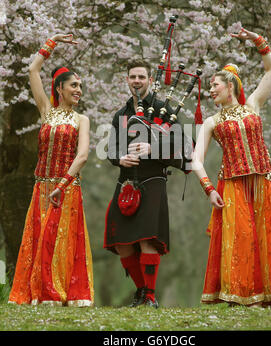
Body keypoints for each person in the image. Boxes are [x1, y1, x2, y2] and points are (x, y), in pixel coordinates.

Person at [192, 27, 271, 306]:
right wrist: (209, 189)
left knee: (265, 234)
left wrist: (258, 42)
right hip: (233, 184)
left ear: (231, 86)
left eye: (215, 85)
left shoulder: (253, 105)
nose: (211, 90)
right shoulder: (212, 122)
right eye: (210, 86)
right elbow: (196, 160)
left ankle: (265, 296)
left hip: (263, 180)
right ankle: (238, 295)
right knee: (241, 236)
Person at [8, 34, 94, 307]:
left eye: (81, 86)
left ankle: (56, 294)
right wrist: (51, 42)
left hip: (66, 188)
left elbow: (82, 155)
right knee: (39, 239)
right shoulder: (46, 112)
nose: (79, 90)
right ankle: (38, 294)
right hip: (41, 187)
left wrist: (62, 184)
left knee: (59, 241)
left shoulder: (82, 119)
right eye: (74, 85)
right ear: (59, 88)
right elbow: (33, 70)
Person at [104, 60, 192, 308]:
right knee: (121, 242)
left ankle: (151, 297)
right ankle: (142, 291)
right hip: (126, 182)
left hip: (153, 180)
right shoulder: (120, 116)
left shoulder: (164, 110)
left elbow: (185, 150)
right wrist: (120, 157)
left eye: (141, 77)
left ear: (150, 80)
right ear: (127, 80)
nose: (136, 81)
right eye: (132, 77)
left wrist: (154, 148)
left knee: (147, 239)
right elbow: (111, 149)